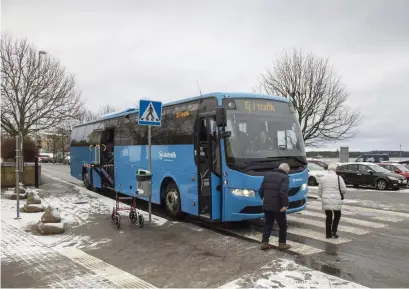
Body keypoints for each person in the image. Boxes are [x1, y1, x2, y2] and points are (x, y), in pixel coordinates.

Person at [258, 163, 291, 250]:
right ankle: (282, 244)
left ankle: (265, 243)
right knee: (282, 225)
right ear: (286, 170)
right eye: (288, 171)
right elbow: (283, 192)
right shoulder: (285, 177)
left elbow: (260, 190)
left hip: (267, 204)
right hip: (278, 206)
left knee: (268, 223)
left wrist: (263, 198)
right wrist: (285, 205)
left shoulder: (267, 175)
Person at [318, 163, 347, 238]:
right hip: (336, 200)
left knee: (328, 216)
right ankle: (334, 231)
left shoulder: (322, 178)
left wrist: (324, 197)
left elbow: (319, 192)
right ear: (335, 169)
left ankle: (328, 234)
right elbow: (344, 190)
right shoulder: (338, 178)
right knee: (337, 215)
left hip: (326, 200)